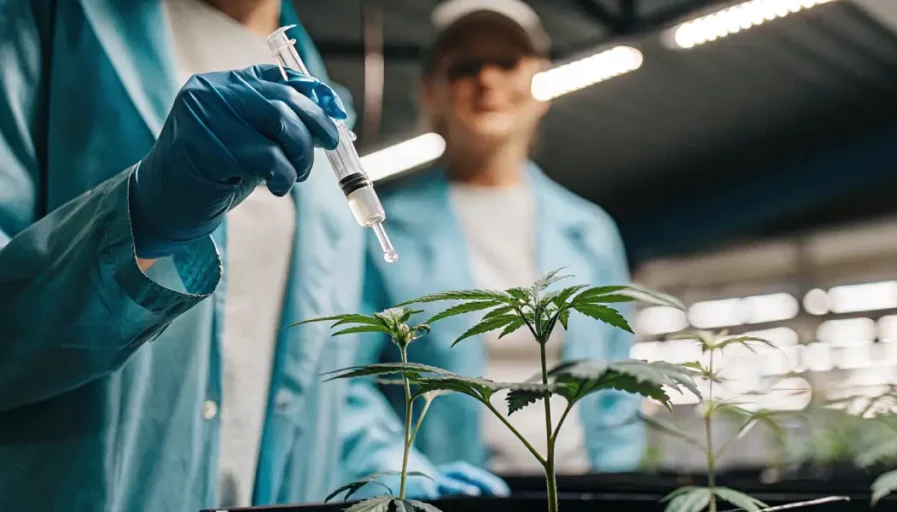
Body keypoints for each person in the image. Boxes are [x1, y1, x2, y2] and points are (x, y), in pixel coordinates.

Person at [0, 0, 500, 509]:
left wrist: (394, 469)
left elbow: (317, 380)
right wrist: (141, 216)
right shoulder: (43, 24)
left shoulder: (321, 95)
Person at [346, 0, 643, 491]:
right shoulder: (384, 229)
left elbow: (618, 384)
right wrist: (410, 478)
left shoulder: (590, 231)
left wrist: (613, 484)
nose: (487, 80)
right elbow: (350, 383)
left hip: (578, 491)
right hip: (449, 496)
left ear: (538, 82)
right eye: (464, 67)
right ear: (430, 92)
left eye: (506, 62)